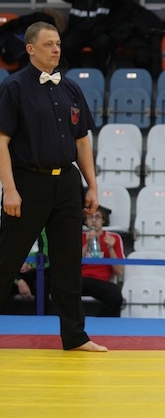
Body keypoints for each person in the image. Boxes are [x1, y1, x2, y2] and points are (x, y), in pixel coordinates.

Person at [0, 21, 106, 352]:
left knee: (68, 263)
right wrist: (10, 189)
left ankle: (75, 337)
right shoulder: (13, 87)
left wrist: (92, 186)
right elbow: (1, 141)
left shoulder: (71, 88)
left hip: (67, 183)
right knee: (6, 259)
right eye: (48, 44)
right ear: (30, 49)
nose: (56, 49)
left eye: (58, 43)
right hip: (27, 182)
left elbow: (82, 142)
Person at [55, 0, 130, 75]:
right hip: (77, 31)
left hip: (99, 32)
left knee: (104, 42)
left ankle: (98, 75)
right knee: (68, 44)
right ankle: (75, 75)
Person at [81, 205, 124, 317]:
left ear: (103, 220)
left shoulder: (114, 238)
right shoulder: (79, 237)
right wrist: (86, 245)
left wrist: (110, 248)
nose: (94, 220)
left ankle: (100, 323)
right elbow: (71, 267)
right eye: (90, 217)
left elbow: (119, 271)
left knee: (115, 294)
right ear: (85, 221)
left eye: (97, 217)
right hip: (80, 280)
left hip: (100, 281)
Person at [3, 230, 53, 315]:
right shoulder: (10, 230)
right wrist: (19, 281)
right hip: (16, 275)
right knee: (4, 283)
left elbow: (46, 258)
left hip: (38, 273)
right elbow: (4, 262)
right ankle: (7, 320)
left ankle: (42, 320)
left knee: (42, 283)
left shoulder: (43, 230)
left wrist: (31, 266)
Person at [0, 8, 67, 70]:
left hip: (9, 42)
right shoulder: (52, 35)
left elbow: (15, 23)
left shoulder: (41, 17)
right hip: (18, 55)